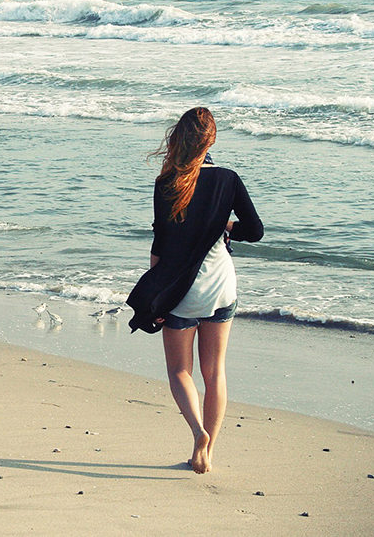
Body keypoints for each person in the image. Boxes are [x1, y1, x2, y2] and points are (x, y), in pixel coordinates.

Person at [126, 107, 263, 474]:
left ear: (179, 139)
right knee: (215, 371)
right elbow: (256, 230)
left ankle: (197, 432)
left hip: (182, 291)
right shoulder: (229, 179)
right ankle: (207, 452)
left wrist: (156, 293)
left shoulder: (166, 182)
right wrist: (226, 225)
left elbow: (160, 245)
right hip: (221, 287)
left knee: (179, 372)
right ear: (211, 140)